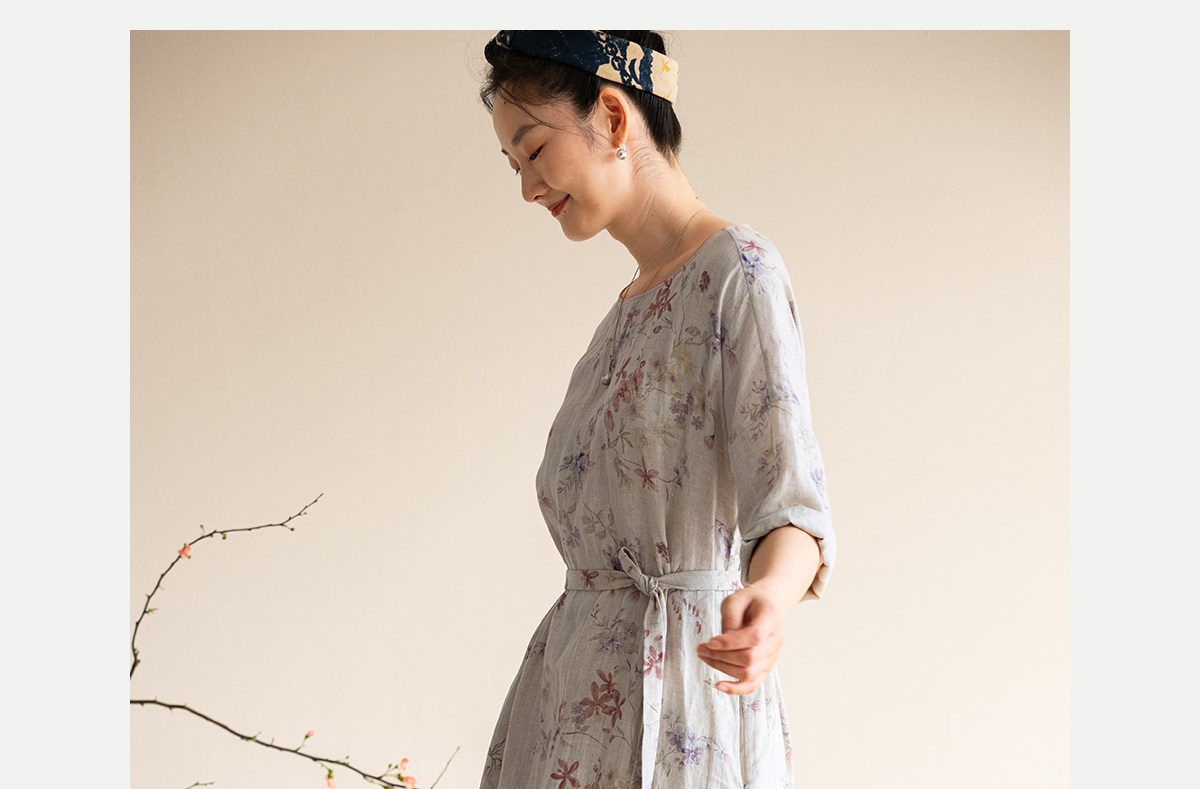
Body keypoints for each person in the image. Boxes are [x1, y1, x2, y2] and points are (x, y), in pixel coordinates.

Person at [477, 30, 836, 789]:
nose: (527, 188)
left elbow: (793, 507)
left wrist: (768, 600)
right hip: (567, 707)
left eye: (534, 151)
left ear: (613, 116)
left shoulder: (739, 273)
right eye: (513, 165)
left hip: (683, 700)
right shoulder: (622, 315)